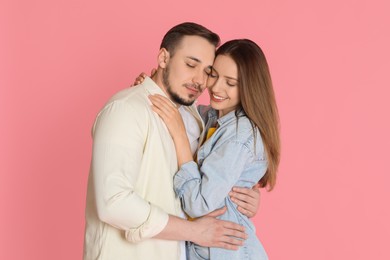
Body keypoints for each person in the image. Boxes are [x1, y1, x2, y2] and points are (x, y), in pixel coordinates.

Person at [83, 22, 261, 260]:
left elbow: (202, 181)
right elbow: (113, 203)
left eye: (208, 71)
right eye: (190, 64)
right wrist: (194, 231)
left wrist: (240, 193)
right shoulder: (126, 110)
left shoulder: (194, 117)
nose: (200, 80)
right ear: (163, 58)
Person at [149, 39, 280, 259]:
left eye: (230, 82)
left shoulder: (240, 136)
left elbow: (199, 204)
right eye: (213, 74)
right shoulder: (210, 116)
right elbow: (177, 111)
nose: (216, 88)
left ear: (249, 87)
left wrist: (180, 137)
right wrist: (151, 87)